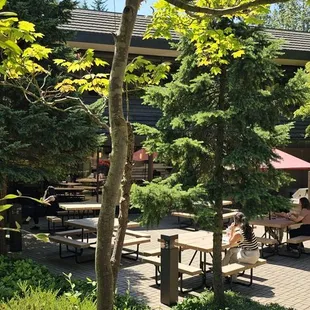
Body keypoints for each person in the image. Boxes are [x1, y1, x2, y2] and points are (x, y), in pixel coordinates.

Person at [222, 212, 260, 281]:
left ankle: (221, 270)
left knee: (231, 251)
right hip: (255, 254)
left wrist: (232, 229)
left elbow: (230, 242)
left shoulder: (239, 233)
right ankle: (233, 277)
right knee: (233, 252)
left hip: (249, 256)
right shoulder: (249, 229)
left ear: (235, 221)